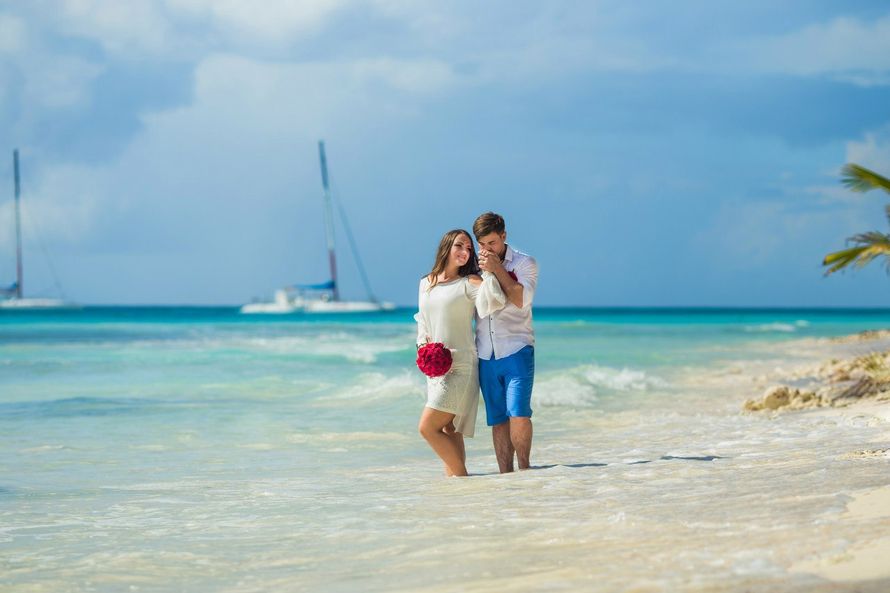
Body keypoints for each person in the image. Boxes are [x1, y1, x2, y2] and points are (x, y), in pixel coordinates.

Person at [473, 212, 539, 473]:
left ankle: (525, 470)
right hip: (485, 353)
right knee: (498, 419)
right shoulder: (473, 265)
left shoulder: (525, 263)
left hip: (517, 348)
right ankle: (506, 477)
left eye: (492, 243)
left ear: (504, 237)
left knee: (518, 413)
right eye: (482, 245)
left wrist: (496, 268)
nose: (487, 250)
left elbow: (520, 299)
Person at [415, 229, 483, 477]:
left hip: (461, 365)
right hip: (434, 367)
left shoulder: (470, 283)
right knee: (448, 429)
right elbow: (422, 320)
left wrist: (490, 272)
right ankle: (455, 487)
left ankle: (463, 479)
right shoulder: (426, 282)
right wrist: (422, 349)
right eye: (459, 246)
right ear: (446, 246)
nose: (465, 252)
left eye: (469, 249)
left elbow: (496, 301)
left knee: (427, 427)